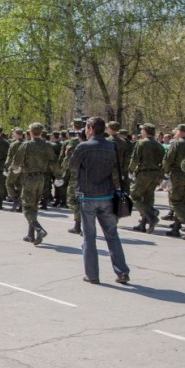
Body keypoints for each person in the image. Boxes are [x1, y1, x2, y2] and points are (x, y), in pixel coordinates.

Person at [69, 117, 130, 284]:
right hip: (107, 195)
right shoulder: (112, 146)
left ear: (89, 129)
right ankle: (122, 271)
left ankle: (92, 275)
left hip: (88, 196)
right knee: (112, 235)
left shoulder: (83, 147)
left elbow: (72, 166)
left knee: (89, 237)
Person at [12, 122, 62, 245]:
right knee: (34, 205)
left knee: (27, 206)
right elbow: (53, 162)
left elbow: (16, 162)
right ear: (41, 133)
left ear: (30, 132)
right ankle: (30, 234)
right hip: (41, 178)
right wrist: (58, 176)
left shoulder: (26, 145)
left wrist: (15, 169)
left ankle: (39, 229)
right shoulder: (47, 145)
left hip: (29, 178)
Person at [129, 123, 165, 233]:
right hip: (155, 174)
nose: (141, 132)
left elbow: (135, 159)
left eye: (142, 130)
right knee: (148, 198)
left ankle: (151, 214)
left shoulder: (141, 143)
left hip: (144, 174)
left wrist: (130, 170)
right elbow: (164, 162)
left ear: (145, 131)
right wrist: (161, 176)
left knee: (133, 196)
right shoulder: (159, 145)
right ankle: (143, 224)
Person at [162, 124, 185, 238]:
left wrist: (166, 172)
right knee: (182, 201)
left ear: (182, 132)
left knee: (176, 202)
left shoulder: (177, 143)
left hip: (178, 176)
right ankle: (176, 228)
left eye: (177, 131)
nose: (176, 133)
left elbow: (168, 160)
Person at [5, 128, 24, 212]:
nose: (13, 135)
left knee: (9, 184)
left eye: (14, 133)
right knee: (20, 186)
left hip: (14, 168)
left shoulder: (13, 144)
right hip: (23, 168)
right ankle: (21, 205)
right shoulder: (26, 144)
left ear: (17, 134)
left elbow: (9, 158)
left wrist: (6, 167)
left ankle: (15, 200)